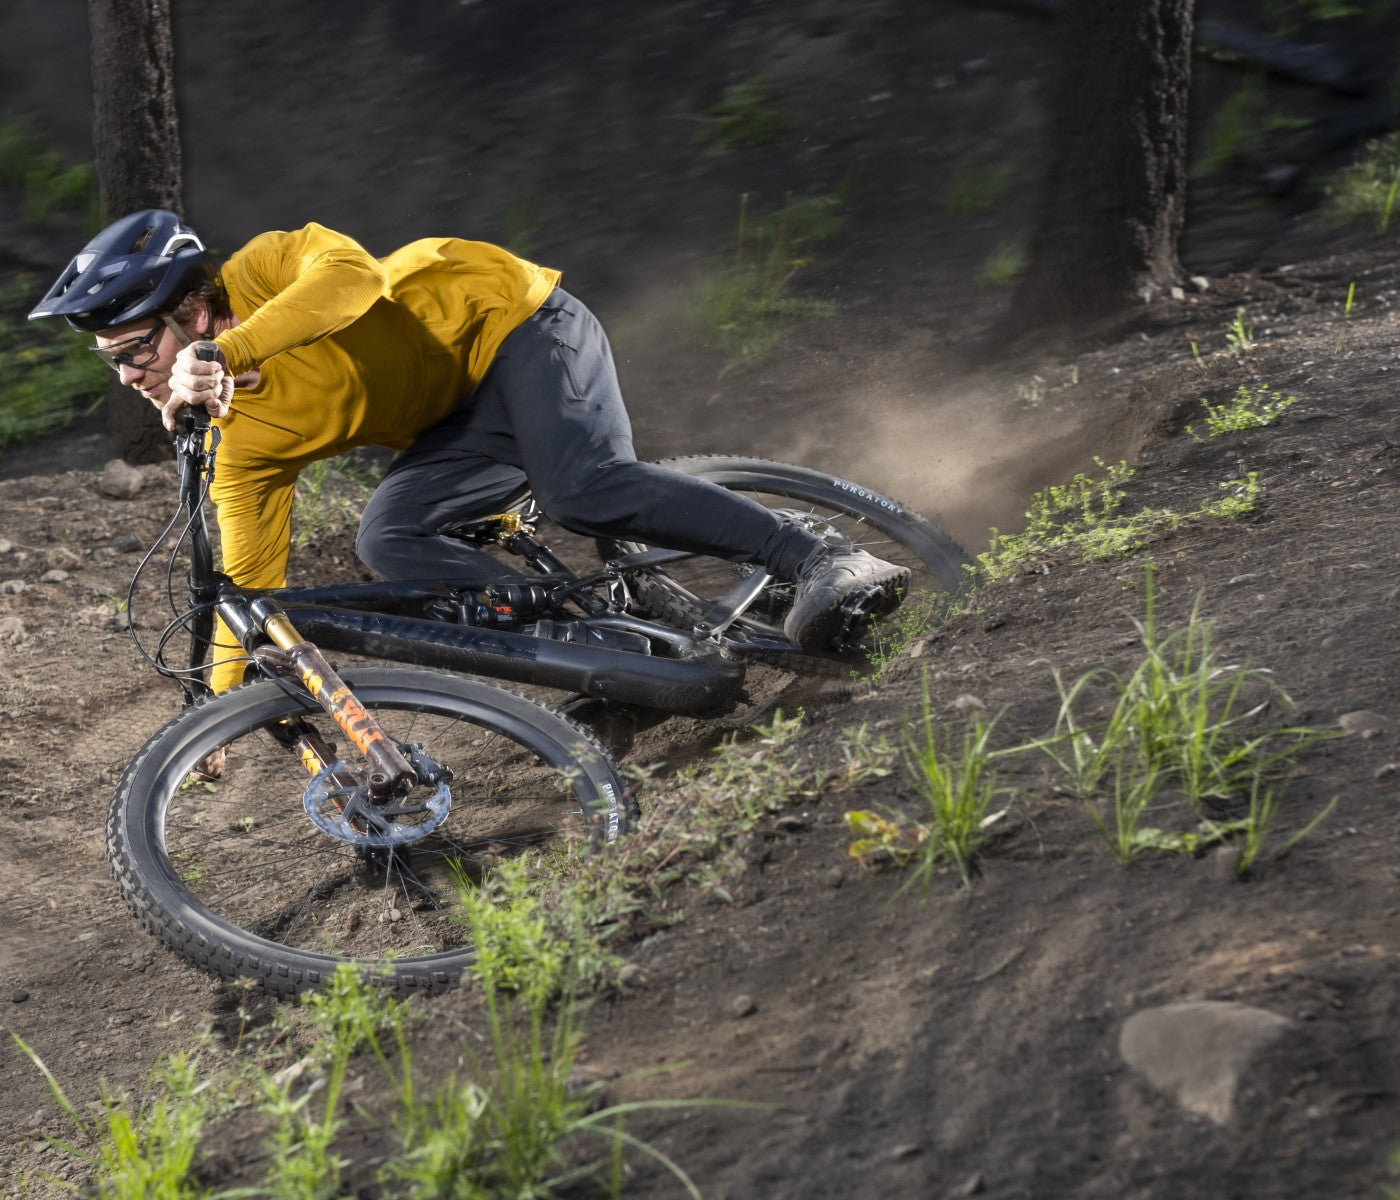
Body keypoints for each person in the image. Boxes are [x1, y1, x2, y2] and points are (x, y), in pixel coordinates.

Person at [31, 210, 908, 691]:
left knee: (584, 489)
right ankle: (610, 657)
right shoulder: (241, 434)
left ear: (192, 308)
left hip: (512, 324)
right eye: (113, 363)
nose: (130, 379)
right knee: (389, 540)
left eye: (136, 351)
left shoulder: (267, 267)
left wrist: (230, 352)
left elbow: (353, 281)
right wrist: (216, 706)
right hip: (456, 424)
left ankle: (824, 555)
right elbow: (249, 577)